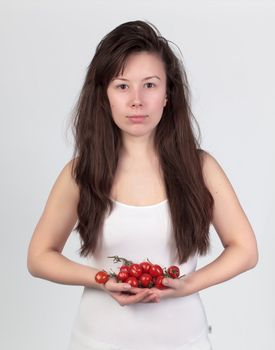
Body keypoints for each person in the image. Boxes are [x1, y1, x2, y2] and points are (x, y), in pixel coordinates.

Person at [27, 20, 258, 350]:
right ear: (104, 95)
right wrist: (102, 279)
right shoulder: (81, 172)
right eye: (122, 86)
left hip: (185, 342)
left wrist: (189, 284)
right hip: (96, 342)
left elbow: (245, 250)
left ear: (168, 94)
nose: (136, 100)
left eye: (150, 85)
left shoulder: (200, 168)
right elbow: (38, 257)